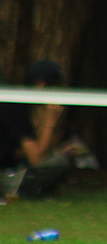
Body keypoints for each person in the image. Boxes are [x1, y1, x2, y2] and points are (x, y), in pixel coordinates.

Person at [0, 60, 87, 198]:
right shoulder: (15, 106)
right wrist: (50, 121)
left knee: (59, 156)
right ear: (41, 85)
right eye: (56, 87)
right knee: (61, 162)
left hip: (10, 167)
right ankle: (20, 191)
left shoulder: (17, 101)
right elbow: (37, 159)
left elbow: (19, 151)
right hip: (6, 176)